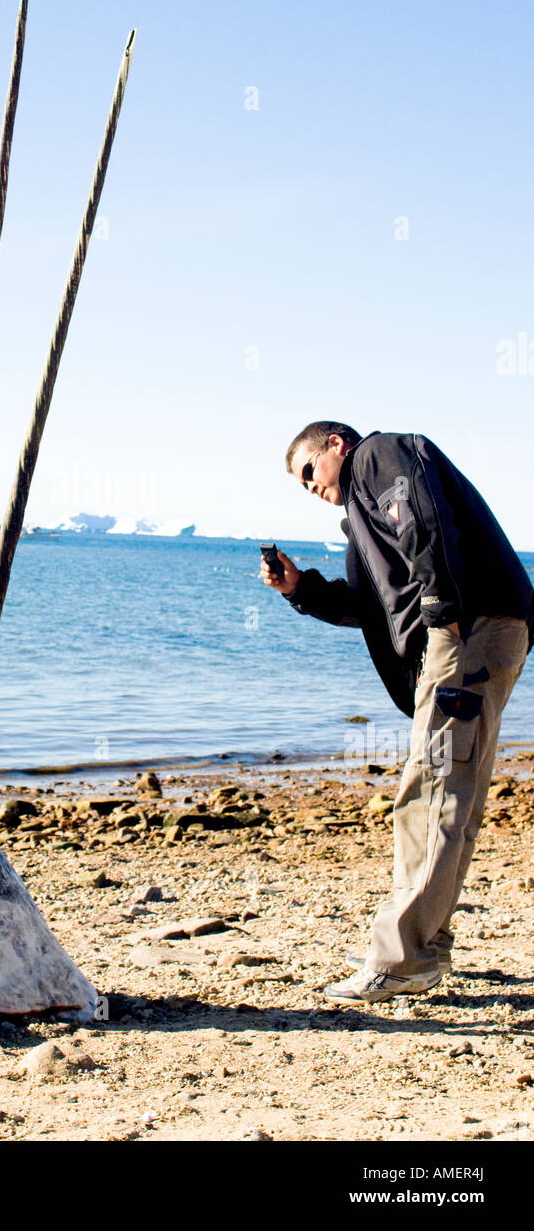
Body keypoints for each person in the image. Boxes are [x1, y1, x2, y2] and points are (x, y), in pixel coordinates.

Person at [262, 422, 534, 1002]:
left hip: (468, 630)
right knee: (451, 792)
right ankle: (425, 951)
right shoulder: (363, 513)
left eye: (309, 471)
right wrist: (301, 589)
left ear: (336, 443)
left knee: (430, 792)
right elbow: (374, 609)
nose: (309, 487)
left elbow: (424, 521)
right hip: (482, 628)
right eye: (300, 486)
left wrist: (443, 608)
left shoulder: (377, 457)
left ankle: (402, 957)